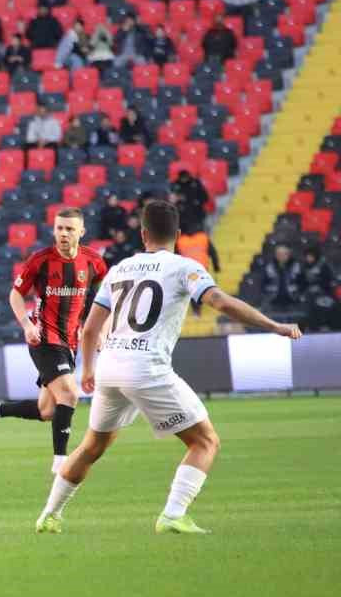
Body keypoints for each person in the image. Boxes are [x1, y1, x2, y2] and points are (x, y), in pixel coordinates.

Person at [34, 200, 301, 535]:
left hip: (110, 367)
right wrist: (273, 326)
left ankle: (49, 514)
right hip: (146, 367)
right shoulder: (183, 267)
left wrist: (87, 370)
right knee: (205, 441)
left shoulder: (120, 269)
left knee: (92, 446)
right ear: (177, 234)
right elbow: (219, 302)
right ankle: (173, 514)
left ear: (142, 233)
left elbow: (89, 329)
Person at [0, 208, 108, 477]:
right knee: (70, 394)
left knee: (48, 410)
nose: (63, 234)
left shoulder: (94, 263)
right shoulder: (41, 261)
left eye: (69, 229)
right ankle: (61, 462)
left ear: (81, 232)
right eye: (59, 228)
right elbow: (15, 295)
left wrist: (101, 328)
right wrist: (27, 324)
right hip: (44, 339)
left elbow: (105, 298)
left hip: (69, 342)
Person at [261, 243, 305, 309]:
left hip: (293, 300)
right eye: (278, 254)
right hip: (272, 300)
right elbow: (263, 284)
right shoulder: (269, 267)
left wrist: (299, 294)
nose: (281, 256)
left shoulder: (296, 266)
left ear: (289, 254)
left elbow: (303, 282)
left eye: (284, 254)